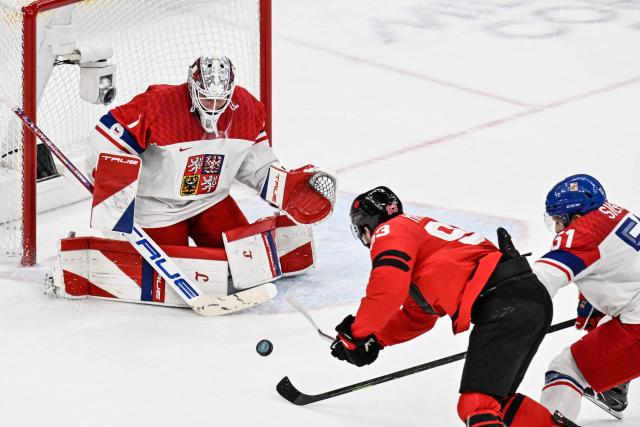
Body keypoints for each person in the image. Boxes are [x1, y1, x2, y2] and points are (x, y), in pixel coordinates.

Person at [330, 186, 565, 426]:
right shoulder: (417, 235)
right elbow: (417, 315)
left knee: (477, 406)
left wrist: (354, 334)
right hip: (526, 298)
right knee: (496, 402)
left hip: (504, 303)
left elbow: (387, 292)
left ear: (365, 227)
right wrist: (375, 338)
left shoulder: (389, 230)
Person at [85, 55, 334, 249]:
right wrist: (113, 186)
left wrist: (282, 187)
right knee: (171, 269)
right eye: (205, 98)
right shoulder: (159, 105)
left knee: (244, 255)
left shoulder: (246, 110)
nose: (213, 107)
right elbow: (106, 139)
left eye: (220, 99)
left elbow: (255, 164)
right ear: (192, 88)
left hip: (211, 201)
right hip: (157, 209)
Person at [533, 174, 640, 423]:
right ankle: (613, 387)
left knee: (566, 368)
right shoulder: (615, 213)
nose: (558, 228)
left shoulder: (582, 234)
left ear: (577, 217)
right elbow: (615, 266)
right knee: (605, 329)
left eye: (559, 220)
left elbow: (540, 283)